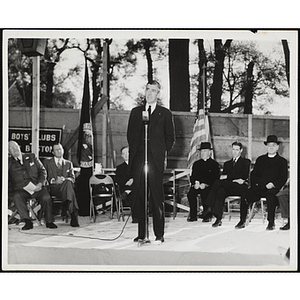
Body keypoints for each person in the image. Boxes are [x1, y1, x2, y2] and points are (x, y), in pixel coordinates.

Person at [127, 80, 175, 243]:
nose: (150, 93)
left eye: (153, 90)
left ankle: (159, 234)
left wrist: (160, 152)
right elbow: (130, 135)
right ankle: (142, 233)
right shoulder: (135, 112)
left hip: (155, 160)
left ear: (158, 94)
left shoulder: (165, 113)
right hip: (139, 160)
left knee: (156, 197)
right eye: (148, 89)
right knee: (140, 197)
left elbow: (171, 138)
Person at [235, 135, 288, 230]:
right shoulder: (261, 159)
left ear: (277, 147)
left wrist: (273, 184)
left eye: (273, 145)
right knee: (245, 195)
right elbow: (254, 174)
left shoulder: (282, 161)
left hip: (272, 189)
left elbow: (283, 177)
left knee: (271, 197)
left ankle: (271, 222)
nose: (271, 147)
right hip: (259, 188)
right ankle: (242, 220)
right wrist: (256, 185)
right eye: (269, 145)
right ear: (266, 146)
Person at [8, 141, 57, 230]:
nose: (15, 149)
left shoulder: (31, 157)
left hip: (36, 187)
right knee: (16, 196)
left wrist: (40, 183)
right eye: (11, 148)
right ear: (8, 152)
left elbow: (43, 171)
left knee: (46, 197)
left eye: (16, 146)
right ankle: (27, 221)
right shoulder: (8, 163)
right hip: (21, 190)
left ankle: (49, 221)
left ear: (19, 146)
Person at [204, 142, 251, 227]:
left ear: (241, 150)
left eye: (237, 150)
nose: (235, 152)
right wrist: (234, 179)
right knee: (220, 191)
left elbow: (244, 176)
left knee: (218, 182)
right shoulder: (227, 164)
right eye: (233, 149)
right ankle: (218, 219)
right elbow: (223, 177)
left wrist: (229, 177)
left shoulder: (246, 162)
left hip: (240, 187)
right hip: (229, 186)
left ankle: (208, 206)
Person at [43, 143, 79, 227]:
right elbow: (43, 177)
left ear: (63, 150)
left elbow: (72, 178)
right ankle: (72, 213)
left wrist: (65, 179)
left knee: (68, 183)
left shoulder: (68, 163)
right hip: (53, 188)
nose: (59, 151)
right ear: (53, 152)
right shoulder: (47, 162)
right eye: (56, 150)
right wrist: (54, 181)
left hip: (65, 188)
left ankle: (67, 205)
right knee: (70, 191)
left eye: (60, 149)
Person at [187, 142, 220, 222]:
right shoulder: (196, 164)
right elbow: (193, 176)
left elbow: (215, 178)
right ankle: (193, 215)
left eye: (205, 151)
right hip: (198, 185)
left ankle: (207, 215)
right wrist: (195, 183)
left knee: (205, 193)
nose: (203, 153)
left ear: (210, 152)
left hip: (209, 186)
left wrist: (205, 184)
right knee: (191, 194)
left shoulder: (214, 164)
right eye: (202, 151)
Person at [115, 146, 137, 223]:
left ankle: (128, 191)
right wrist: (126, 182)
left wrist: (133, 179)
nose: (126, 155)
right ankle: (135, 217)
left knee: (136, 192)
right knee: (133, 194)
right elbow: (118, 179)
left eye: (127, 153)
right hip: (124, 187)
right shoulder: (119, 167)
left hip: (135, 187)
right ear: (121, 155)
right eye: (123, 153)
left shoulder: (137, 165)